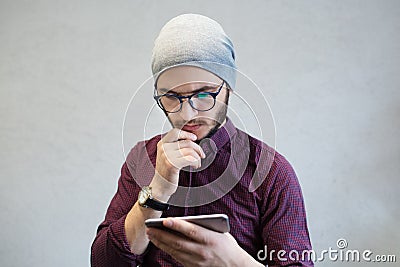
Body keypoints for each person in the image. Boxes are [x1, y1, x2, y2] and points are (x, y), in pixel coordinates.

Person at [91, 14, 313, 266]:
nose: (188, 114)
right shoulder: (143, 159)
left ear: (228, 87)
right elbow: (103, 262)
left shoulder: (271, 171)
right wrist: (158, 190)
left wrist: (234, 262)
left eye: (204, 94)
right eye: (171, 97)